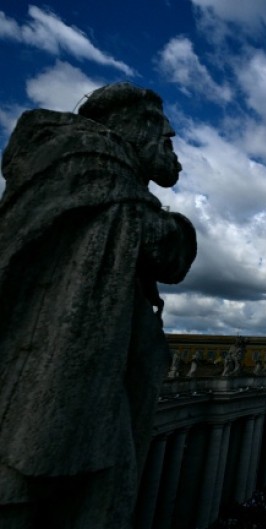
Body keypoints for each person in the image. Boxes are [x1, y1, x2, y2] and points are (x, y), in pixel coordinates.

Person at [0, 83, 197, 528]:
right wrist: (179, 226)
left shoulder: (96, 176)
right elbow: (168, 251)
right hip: (62, 388)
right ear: (136, 127)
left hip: (87, 384)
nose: (172, 142)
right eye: (165, 137)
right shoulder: (91, 163)